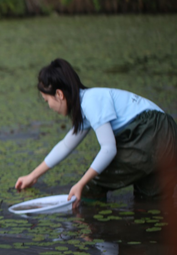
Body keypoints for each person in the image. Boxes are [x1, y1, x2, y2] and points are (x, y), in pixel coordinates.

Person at [15, 58, 177, 206]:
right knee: (150, 202)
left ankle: (91, 231)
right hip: (166, 133)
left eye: (47, 101)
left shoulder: (91, 102)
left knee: (91, 186)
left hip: (152, 132)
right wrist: (33, 176)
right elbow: (65, 146)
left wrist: (81, 183)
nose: (49, 106)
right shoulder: (86, 105)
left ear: (59, 94)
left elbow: (109, 149)